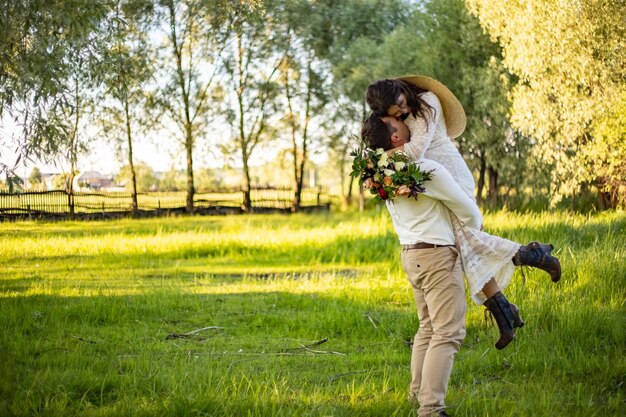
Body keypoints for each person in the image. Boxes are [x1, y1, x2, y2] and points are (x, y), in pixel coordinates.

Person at [362, 76, 561, 350]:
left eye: (400, 106)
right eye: (395, 114)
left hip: (448, 174)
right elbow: (389, 141)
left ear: (401, 90)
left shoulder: (428, 101)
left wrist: (378, 164)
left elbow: (417, 149)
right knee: (467, 248)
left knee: (467, 242)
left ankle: (532, 259)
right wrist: (375, 167)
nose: (402, 112)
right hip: (430, 180)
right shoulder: (400, 114)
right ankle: (506, 309)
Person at [369, 148, 482, 416]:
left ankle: (416, 394)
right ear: (394, 138)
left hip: (411, 253)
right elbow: (471, 213)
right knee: (448, 332)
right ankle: (431, 409)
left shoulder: (381, 174)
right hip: (436, 255)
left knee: (428, 327)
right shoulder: (427, 170)